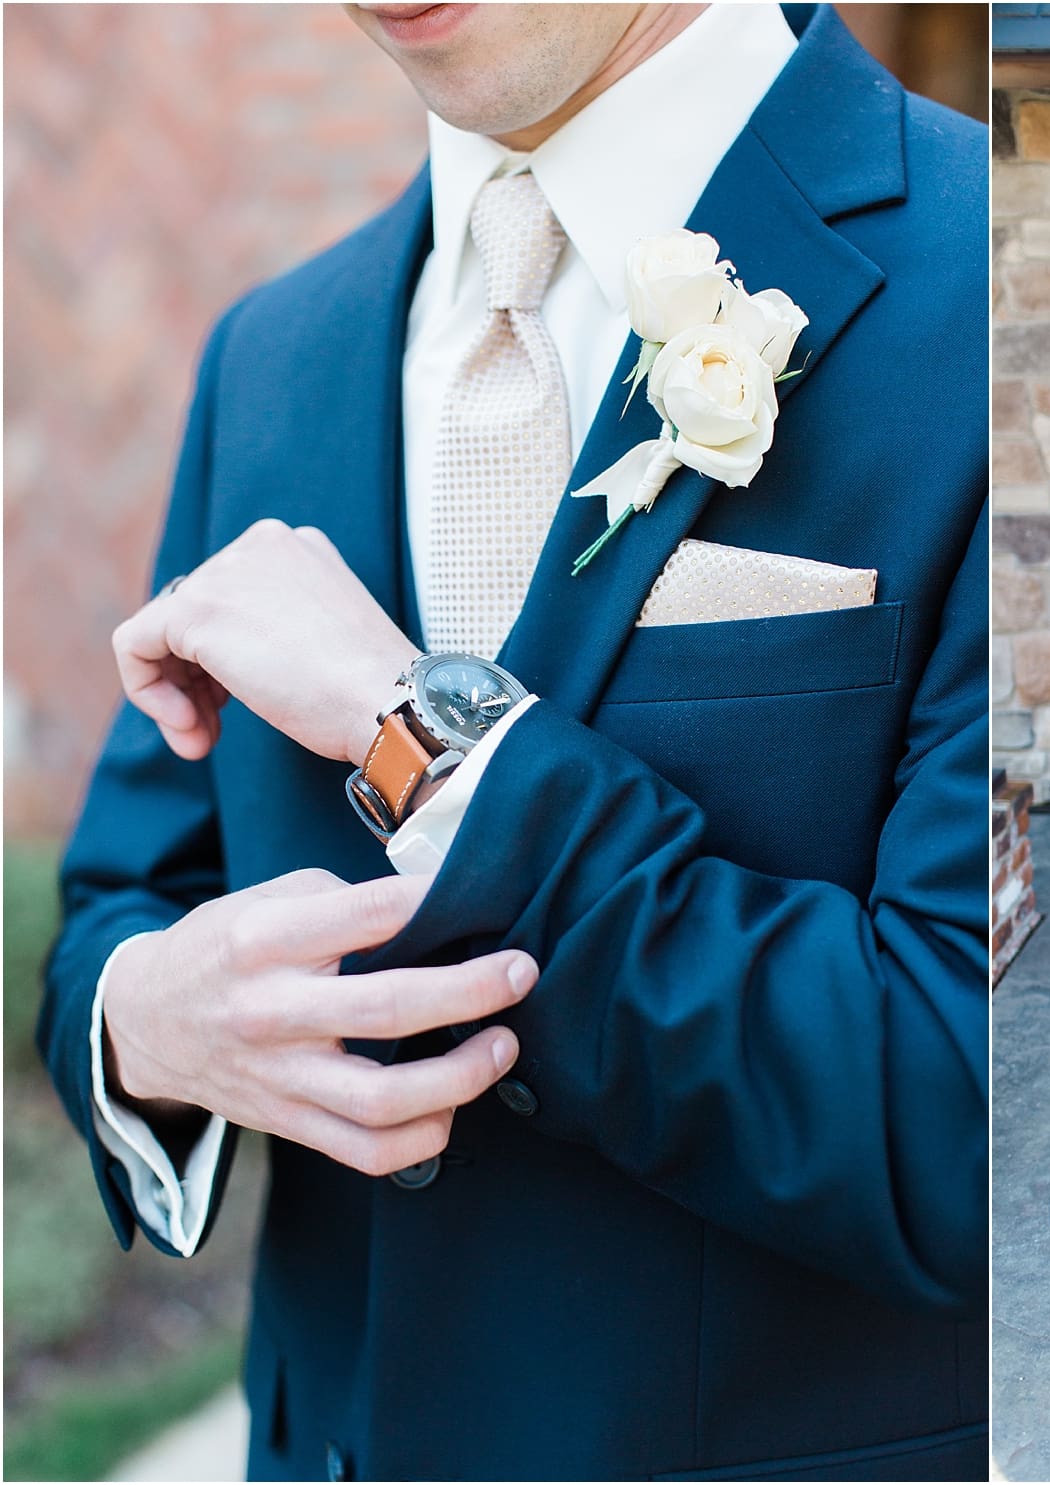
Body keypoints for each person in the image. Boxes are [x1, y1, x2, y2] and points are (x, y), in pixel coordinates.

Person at [37, 5, 987, 1479]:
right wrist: (145, 1026)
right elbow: (122, 903)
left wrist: (412, 726)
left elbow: (962, 1106)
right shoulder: (273, 357)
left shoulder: (989, 278)